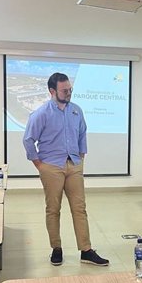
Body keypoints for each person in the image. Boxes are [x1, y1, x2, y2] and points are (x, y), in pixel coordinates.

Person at [22, 72, 108, 267]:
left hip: (74, 165)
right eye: (64, 90)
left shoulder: (76, 110)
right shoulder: (41, 113)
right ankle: (56, 248)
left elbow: (82, 133)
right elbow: (28, 140)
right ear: (52, 91)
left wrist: (81, 158)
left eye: (70, 89)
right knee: (53, 209)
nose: (69, 93)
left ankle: (86, 250)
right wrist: (39, 165)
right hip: (51, 167)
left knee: (80, 208)